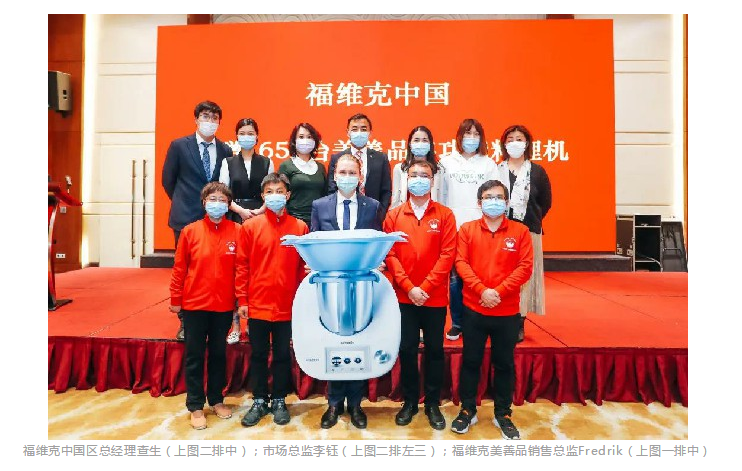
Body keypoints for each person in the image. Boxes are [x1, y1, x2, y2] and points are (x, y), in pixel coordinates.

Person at [450, 180, 533, 439]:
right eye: (488, 197)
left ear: (506, 203)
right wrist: (481, 290)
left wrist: (498, 292)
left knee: (504, 364)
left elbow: (525, 267)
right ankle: (467, 409)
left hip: (506, 311)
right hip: (474, 309)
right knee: (471, 361)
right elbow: (461, 263)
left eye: (498, 197)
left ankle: (503, 413)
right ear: (479, 203)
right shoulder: (467, 230)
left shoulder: (520, 231)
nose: (493, 201)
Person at [310, 154, 382, 430]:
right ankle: (333, 403)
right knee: (334, 342)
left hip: (361, 287)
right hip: (330, 288)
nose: (348, 177)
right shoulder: (319, 206)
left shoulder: (372, 206)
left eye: (353, 172)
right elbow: (315, 241)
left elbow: (376, 244)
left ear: (360, 177)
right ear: (334, 175)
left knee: (358, 342)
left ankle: (355, 404)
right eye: (343, 172)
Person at [383, 160, 456, 430]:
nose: (419, 179)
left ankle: (433, 403)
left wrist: (425, 287)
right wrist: (409, 287)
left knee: (435, 350)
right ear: (406, 179)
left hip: (434, 297)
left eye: (424, 175)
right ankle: (410, 401)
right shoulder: (394, 215)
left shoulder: (445, 215)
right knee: (407, 349)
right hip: (405, 297)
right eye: (414, 175)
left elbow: (448, 255)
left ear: (432, 181)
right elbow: (390, 253)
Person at [236, 173, 309, 427]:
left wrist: (301, 301)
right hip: (257, 303)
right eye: (269, 192)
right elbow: (242, 266)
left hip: (287, 304)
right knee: (257, 354)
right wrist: (242, 300)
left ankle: (279, 399)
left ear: (288, 195)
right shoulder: (250, 227)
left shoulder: (299, 228)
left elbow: (303, 269)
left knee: (281, 354)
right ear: (262, 196)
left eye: (279, 191)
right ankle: (259, 400)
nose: (275, 196)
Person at [169, 182, 240, 430]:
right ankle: (196, 405)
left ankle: (217, 399)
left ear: (228, 205)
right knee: (195, 355)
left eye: (222, 200)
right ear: (204, 203)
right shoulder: (190, 231)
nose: (217, 204)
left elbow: (241, 269)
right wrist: (175, 299)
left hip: (223, 305)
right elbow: (179, 268)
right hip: (194, 304)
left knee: (219, 354)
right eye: (212, 199)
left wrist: (240, 299)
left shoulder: (237, 231)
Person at [162, 100, 233, 341]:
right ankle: (185, 322)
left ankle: (213, 318)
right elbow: (168, 181)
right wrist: (184, 202)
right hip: (185, 216)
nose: (209, 122)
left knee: (213, 270)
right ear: (196, 119)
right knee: (185, 270)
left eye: (214, 118)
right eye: (205, 116)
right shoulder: (179, 146)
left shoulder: (225, 150)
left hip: (215, 218)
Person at [438, 118, 497, 341]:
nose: (471, 138)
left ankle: (479, 322)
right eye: (467, 133)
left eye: (475, 134)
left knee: (480, 277)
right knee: (455, 280)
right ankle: (458, 323)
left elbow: (496, 196)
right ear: (459, 136)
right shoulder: (446, 162)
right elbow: (440, 196)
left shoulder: (488, 164)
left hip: (481, 229)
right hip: (453, 228)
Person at [219, 117, 274, 345]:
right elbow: (223, 193)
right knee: (236, 270)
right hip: (236, 215)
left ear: (257, 136)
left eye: (250, 133)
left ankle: (253, 322)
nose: (247, 137)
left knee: (257, 269)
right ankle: (235, 325)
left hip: (261, 217)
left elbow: (272, 190)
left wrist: (260, 210)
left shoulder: (267, 162)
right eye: (242, 133)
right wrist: (241, 211)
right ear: (237, 136)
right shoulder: (228, 162)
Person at [495, 125, 552, 342]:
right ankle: (500, 317)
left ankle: (519, 321)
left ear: (527, 143)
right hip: (499, 231)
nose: (515, 143)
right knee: (501, 275)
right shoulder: (496, 170)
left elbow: (545, 202)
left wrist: (529, 220)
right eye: (510, 139)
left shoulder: (537, 172)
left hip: (529, 230)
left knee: (525, 278)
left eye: (519, 139)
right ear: (504, 144)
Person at [327, 113, 392, 219]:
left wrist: (380, 214)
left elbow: (386, 191)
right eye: (354, 129)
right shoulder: (337, 158)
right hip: (344, 214)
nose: (359, 133)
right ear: (348, 133)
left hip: (373, 215)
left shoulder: (381, 158)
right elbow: (331, 189)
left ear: (370, 133)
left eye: (363, 129)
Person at [277, 122, 327, 227]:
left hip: (318, 221)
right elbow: (280, 195)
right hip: (294, 221)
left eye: (309, 137)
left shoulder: (321, 167)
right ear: (294, 141)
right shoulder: (286, 166)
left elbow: (325, 195)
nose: (305, 140)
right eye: (301, 137)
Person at [391, 125, 443, 208]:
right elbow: (395, 198)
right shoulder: (400, 168)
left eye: (424, 140)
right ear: (410, 144)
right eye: (416, 140)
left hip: (432, 213)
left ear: (430, 145)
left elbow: (441, 198)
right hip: (405, 213)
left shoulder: (438, 170)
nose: (420, 144)